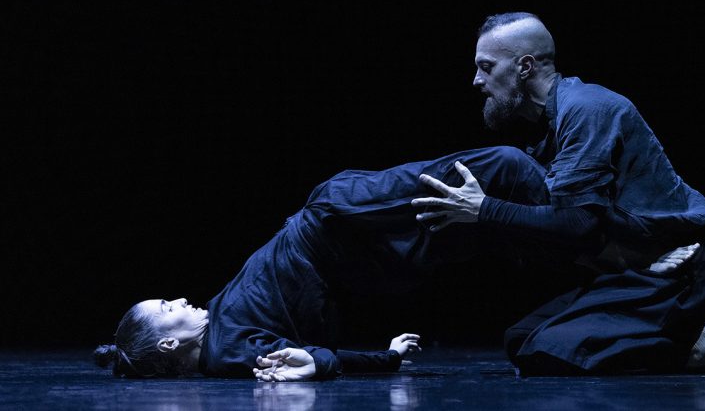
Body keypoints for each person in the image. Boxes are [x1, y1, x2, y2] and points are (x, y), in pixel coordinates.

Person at [412, 12, 705, 375]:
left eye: (486, 67)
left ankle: (694, 347)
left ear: (524, 67)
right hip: (640, 270)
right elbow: (577, 233)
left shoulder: (586, 108)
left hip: (682, 273)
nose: (477, 80)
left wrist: (483, 208)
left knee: (545, 350)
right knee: (520, 338)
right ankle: (680, 342)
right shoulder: (550, 128)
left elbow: (578, 222)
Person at [94, 145, 555, 380]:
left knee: (459, 223)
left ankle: (560, 216)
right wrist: (384, 358)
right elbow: (312, 360)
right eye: (167, 308)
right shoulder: (228, 352)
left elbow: (307, 356)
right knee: (491, 169)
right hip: (335, 224)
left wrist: (378, 358)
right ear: (169, 344)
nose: (179, 299)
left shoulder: (219, 337)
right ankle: (567, 207)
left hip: (350, 246)